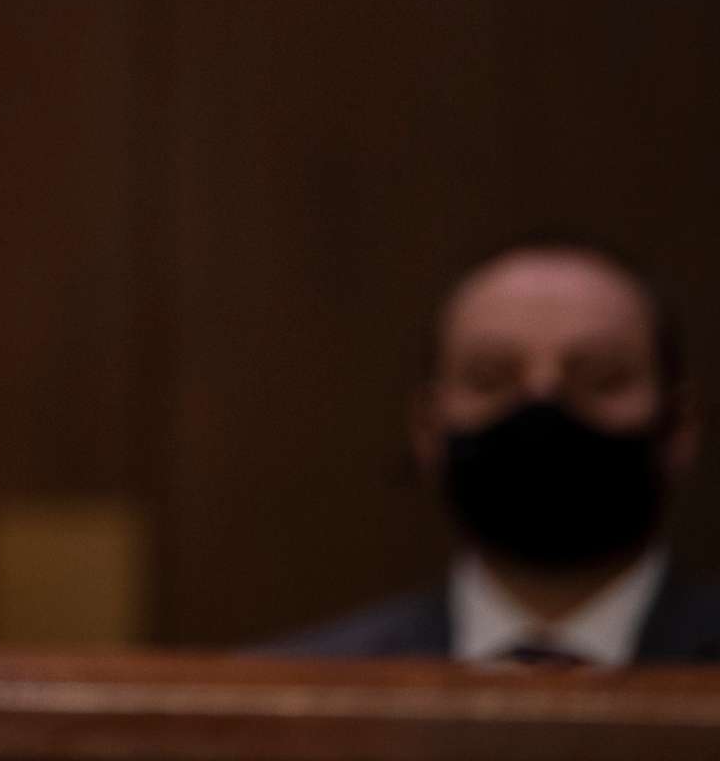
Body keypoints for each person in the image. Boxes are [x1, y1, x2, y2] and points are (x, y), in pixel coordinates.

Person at [275, 238, 717, 663]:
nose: (543, 408)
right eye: (491, 378)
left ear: (679, 424)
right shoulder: (290, 696)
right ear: (427, 427)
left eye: (602, 379)